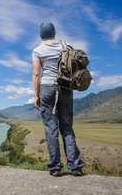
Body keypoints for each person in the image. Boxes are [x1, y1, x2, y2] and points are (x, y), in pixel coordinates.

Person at [32, 21, 84, 177]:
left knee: (51, 129)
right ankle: (75, 166)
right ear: (54, 32)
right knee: (67, 126)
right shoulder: (66, 45)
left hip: (47, 88)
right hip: (66, 88)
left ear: (41, 34)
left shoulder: (37, 50)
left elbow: (36, 74)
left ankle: (55, 167)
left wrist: (36, 95)